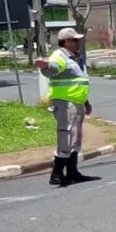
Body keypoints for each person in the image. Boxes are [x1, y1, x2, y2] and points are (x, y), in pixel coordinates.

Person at [35, 27, 99, 187]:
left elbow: (78, 82)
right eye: (75, 40)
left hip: (76, 103)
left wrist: (85, 102)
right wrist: (45, 66)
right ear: (66, 42)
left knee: (75, 139)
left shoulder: (75, 57)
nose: (78, 43)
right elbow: (52, 69)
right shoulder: (59, 56)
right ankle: (56, 174)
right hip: (65, 104)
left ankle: (72, 172)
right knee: (67, 138)